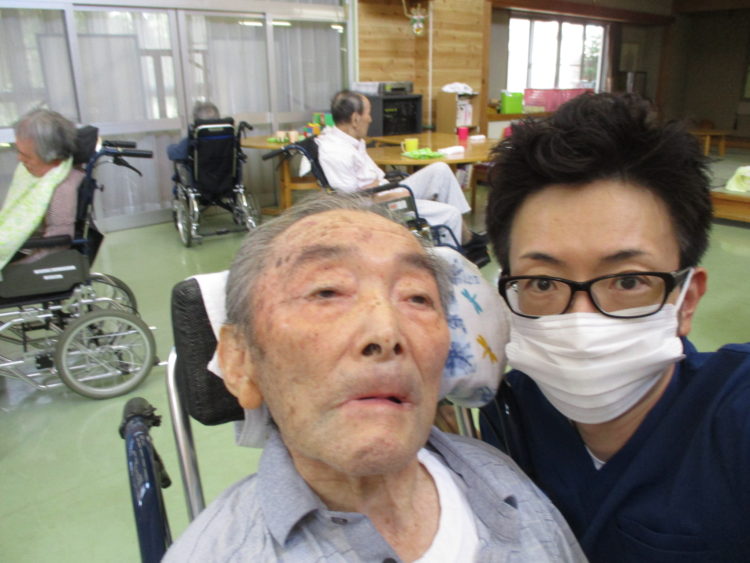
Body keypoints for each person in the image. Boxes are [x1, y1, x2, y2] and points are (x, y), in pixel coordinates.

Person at [163, 193, 585, 562]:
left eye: (416, 297)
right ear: (239, 361)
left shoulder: (503, 479)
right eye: (327, 291)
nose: (386, 333)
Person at [479, 92, 750, 562]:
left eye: (627, 281)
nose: (581, 321)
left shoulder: (734, 419)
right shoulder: (509, 412)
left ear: (686, 301)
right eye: (542, 282)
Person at [316, 90, 489, 267]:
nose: (371, 119)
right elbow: (350, 199)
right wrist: (388, 194)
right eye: (368, 113)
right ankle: (456, 262)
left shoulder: (350, 139)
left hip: (384, 190)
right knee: (450, 214)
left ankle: (466, 237)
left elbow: (370, 180)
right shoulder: (335, 151)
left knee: (440, 170)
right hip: (377, 205)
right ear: (355, 119)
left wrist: (384, 187)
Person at [1, 108, 83, 269]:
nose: (19, 159)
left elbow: (56, 245)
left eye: (27, 156)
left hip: (32, 255)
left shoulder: (62, 190)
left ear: (52, 156)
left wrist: (15, 269)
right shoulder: (36, 174)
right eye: (18, 151)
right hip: (22, 245)